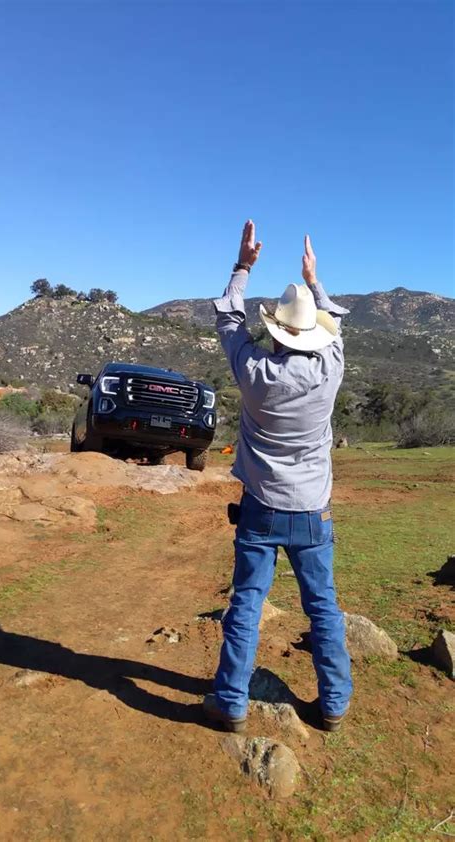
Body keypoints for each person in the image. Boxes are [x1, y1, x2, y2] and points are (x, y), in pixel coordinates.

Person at [203, 220, 353, 733]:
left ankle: (231, 702)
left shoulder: (255, 372)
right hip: (313, 511)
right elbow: (335, 321)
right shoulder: (330, 369)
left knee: (246, 601)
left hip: (261, 509)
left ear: (276, 333)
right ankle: (333, 704)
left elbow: (227, 320)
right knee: (324, 608)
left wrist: (243, 267)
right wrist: (314, 281)